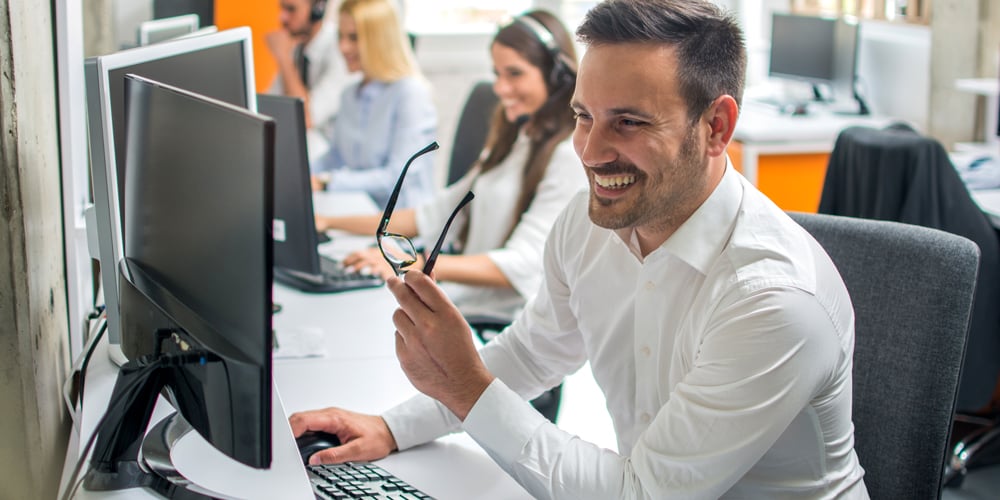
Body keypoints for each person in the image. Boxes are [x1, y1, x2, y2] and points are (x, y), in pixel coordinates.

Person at [290, 0, 871, 498]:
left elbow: (641, 492)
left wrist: (466, 386)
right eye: (583, 116)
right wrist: (393, 427)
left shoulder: (772, 299)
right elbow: (532, 353)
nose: (590, 153)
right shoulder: (589, 224)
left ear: (716, 127)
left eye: (628, 123)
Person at [314, 10, 585, 325]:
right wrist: (328, 222)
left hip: (500, 324)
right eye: (497, 74)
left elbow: (521, 264)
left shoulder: (566, 157)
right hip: (462, 303)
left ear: (557, 76)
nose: (501, 88)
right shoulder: (517, 138)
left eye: (515, 73)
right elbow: (431, 213)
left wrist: (416, 264)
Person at [309, 0, 436, 209]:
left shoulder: (410, 94)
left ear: (380, 40)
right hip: (358, 209)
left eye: (354, 38)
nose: (343, 47)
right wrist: (301, 176)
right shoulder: (349, 95)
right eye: (340, 36)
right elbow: (336, 157)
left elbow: (396, 177)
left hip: (398, 226)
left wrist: (328, 182)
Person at [265, 0, 356, 161]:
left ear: (317, 9)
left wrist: (283, 59)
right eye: (282, 9)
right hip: (312, 147)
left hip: (332, 153)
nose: (282, 18)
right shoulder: (297, 46)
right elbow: (271, 104)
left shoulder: (341, 50)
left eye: (291, 9)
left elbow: (305, 118)